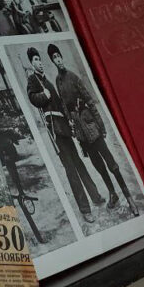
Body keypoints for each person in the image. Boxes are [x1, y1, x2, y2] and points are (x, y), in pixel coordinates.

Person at [48, 44, 139, 216]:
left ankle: (129, 198)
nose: (58, 60)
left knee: (111, 164)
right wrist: (71, 122)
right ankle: (113, 194)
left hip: (91, 126)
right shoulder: (58, 82)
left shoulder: (74, 77)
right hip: (81, 134)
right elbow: (65, 106)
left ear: (62, 57)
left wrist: (101, 125)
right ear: (53, 61)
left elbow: (90, 101)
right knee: (98, 166)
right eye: (54, 58)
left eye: (59, 56)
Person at [25, 46, 101, 223]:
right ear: (31, 63)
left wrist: (70, 122)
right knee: (71, 170)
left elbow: (60, 105)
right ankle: (85, 209)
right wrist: (43, 95)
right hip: (55, 131)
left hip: (64, 128)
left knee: (79, 164)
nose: (39, 62)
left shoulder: (48, 81)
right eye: (35, 60)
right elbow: (33, 98)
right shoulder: (33, 80)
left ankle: (95, 196)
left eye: (39, 59)